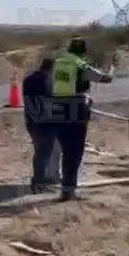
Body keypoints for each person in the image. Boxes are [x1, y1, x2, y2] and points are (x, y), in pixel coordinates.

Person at [49, 37, 114, 201]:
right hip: (76, 108)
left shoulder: (58, 63)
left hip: (57, 107)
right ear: (83, 52)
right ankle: (68, 191)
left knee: (64, 149)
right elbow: (104, 78)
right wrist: (112, 70)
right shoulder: (80, 65)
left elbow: (51, 83)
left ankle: (66, 187)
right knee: (74, 151)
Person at [21, 57, 61, 192]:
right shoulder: (47, 82)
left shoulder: (28, 79)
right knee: (44, 154)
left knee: (39, 152)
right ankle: (38, 183)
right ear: (52, 69)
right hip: (45, 123)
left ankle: (40, 180)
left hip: (30, 121)